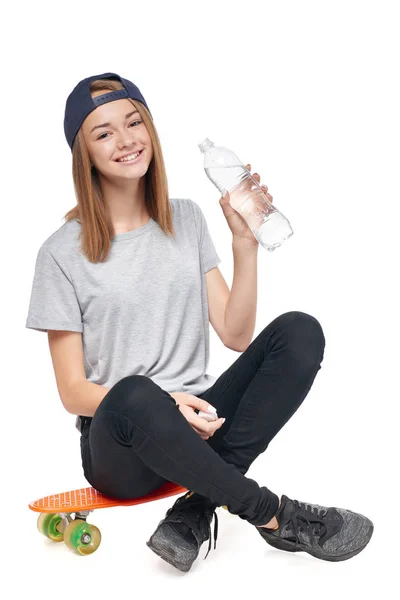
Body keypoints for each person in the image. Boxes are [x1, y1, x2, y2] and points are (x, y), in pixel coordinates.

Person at [25, 72, 374, 572]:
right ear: (84, 153)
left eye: (133, 122)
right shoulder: (60, 253)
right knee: (135, 390)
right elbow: (73, 391)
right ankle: (277, 516)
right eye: (104, 133)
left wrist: (245, 243)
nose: (126, 141)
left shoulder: (184, 219)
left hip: (200, 423)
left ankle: (193, 512)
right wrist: (164, 401)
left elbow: (235, 335)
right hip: (120, 441)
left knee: (300, 330)